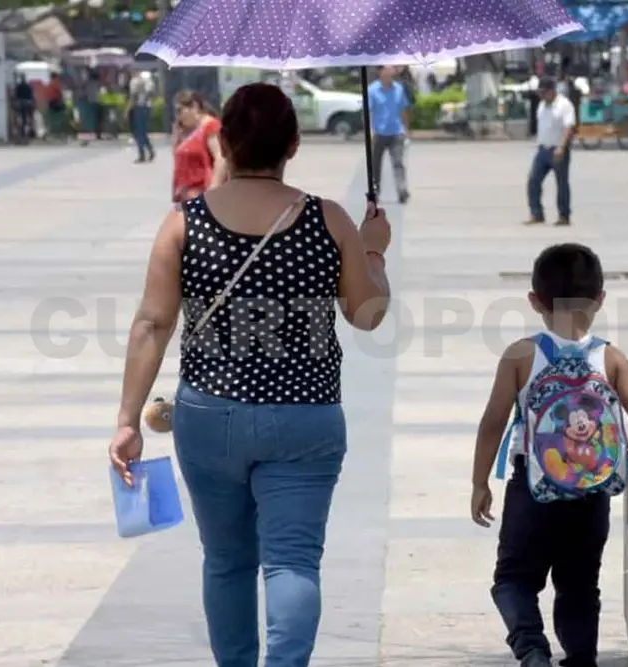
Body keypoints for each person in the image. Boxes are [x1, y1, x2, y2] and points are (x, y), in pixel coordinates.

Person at [107, 82, 393, 667]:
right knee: (292, 561)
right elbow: (367, 315)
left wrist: (128, 420)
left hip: (210, 414)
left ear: (226, 144)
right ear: (293, 144)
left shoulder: (184, 223)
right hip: (305, 416)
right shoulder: (328, 219)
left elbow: (152, 325)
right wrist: (373, 252)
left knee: (226, 559)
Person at [469, 242, 628, 667]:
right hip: (591, 492)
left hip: (533, 489)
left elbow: (493, 421)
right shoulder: (610, 357)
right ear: (600, 299)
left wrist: (479, 482)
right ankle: (581, 660)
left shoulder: (521, 355)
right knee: (580, 585)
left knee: (513, 578)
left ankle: (532, 650)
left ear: (535, 301)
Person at [525, 78, 575, 227]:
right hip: (543, 149)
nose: (541, 95)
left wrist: (561, 147)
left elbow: (568, 127)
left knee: (561, 183)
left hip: (558, 149)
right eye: (540, 92)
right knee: (533, 181)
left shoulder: (564, 105)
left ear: (552, 91)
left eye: (544, 92)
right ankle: (536, 214)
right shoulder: (542, 105)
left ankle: (564, 216)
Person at [170, 90, 226, 205]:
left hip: (202, 191)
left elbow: (220, 157)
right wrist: (177, 137)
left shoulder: (209, 126)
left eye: (180, 111)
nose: (178, 117)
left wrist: (214, 187)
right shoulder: (184, 130)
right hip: (185, 193)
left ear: (194, 107)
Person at [367, 66, 412, 204]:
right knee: (375, 165)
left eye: (391, 70)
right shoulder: (372, 90)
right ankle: (375, 191)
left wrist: (406, 130)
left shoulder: (398, 89)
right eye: (387, 69)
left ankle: (401, 189)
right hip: (379, 133)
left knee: (398, 163)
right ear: (380, 72)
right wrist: (370, 130)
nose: (390, 72)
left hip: (396, 132)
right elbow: (369, 111)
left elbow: (403, 110)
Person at [127, 68, 156, 164]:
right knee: (143, 132)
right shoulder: (148, 80)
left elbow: (133, 96)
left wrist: (127, 109)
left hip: (138, 107)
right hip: (147, 107)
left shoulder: (134, 81)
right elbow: (152, 94)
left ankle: (142, 155)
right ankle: (150, 151)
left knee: (138, 132)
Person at [13, 74, 35, 139]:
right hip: (28, 103)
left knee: (21, 117)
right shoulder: (29, 86)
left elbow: (16, 96)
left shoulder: (18, 86)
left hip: (21, 103)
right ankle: (30, 130)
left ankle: (22, 131)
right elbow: (31, 96)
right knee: (30, 117)